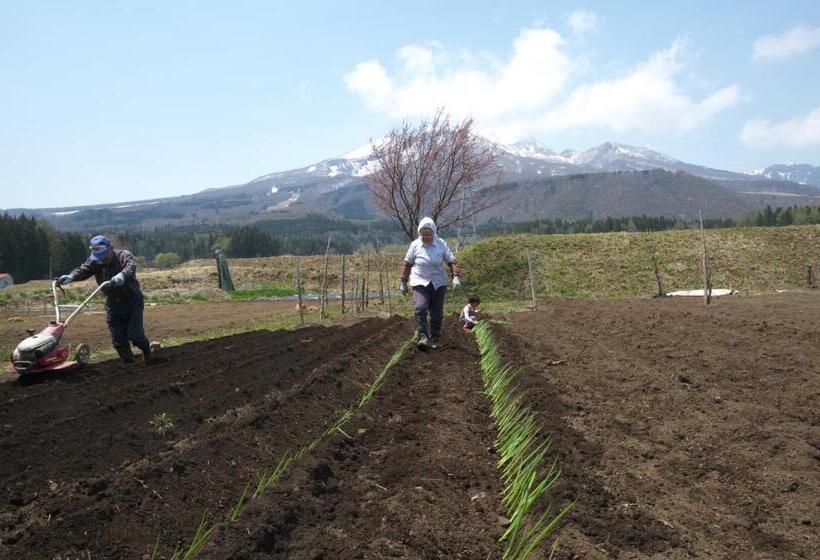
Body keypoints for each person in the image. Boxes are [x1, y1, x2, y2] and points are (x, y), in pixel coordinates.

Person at [56, 235, 152, 364]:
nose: (102, 260)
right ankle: (130, 364)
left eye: (104, 256)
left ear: (111, 249)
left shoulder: (124, 255)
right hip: (113, 303)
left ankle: (146, 350)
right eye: (99, 258)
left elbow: (130, 267)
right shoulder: (95, 261)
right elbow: (84, 270)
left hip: (132, 301)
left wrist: (122, 275)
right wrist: (71, 276)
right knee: (118, 341)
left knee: (135, 335)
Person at [399, 217, 461, 350]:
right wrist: (403, 282)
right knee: (420, 307)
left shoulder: (441, 244)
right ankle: (423, 336)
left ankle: (435, 337)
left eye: (429, 234)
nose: (426, 237)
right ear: (419, 233)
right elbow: (407, 264)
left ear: (434, 232)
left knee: (436, 311)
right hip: (420, 281)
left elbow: (451, 261)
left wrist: (455, 276)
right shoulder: (415, 245)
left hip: (438, 282)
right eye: (424, 234)